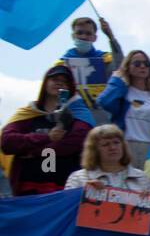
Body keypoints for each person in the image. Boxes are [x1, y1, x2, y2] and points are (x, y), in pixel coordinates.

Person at [1, 65, 95, 195]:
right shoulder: (28, 113)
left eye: (65, 81)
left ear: (70, 88)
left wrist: (34, 150)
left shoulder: (77, 116)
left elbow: (76, 142)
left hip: (64, 189)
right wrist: (47, 137)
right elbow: (7, 142)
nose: (59, 83)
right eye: (55, 79)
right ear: (45, 83)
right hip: (27, 188)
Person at [96, 49, 150, 168]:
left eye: (146, 64)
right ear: (128, 67)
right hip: (125, 146)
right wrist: (116, 80)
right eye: (137, 63)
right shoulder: (123, 90)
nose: (142, 66)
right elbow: (104, 101)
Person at [62, 16, 124, 118]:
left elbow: (120, 65)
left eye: (88, 33)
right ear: (73, 36)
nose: (83, 37)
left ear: (95, 38)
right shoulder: (63, 63)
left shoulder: (104, 59)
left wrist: (111, 37)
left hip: (101, 116)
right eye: (79, 33)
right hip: (75, 117)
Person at [64, 124, 150, 192]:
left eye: (116, 142)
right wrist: (82, 193)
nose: (112, 147)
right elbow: (67, 208)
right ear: (94, 150)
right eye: (106, 144)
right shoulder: (78, 178)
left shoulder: (141, 177)